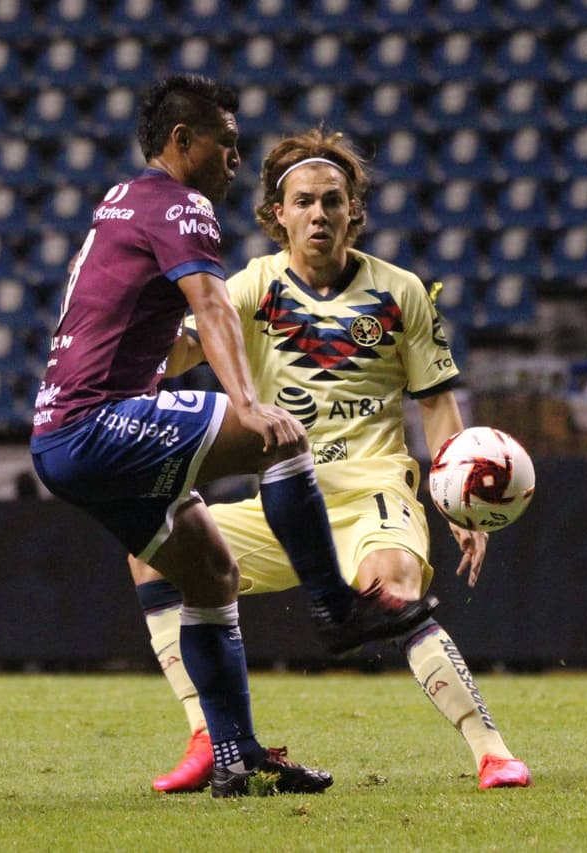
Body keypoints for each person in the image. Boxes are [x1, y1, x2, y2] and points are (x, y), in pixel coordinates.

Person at [28, 76, 434, 798]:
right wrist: (247, 405)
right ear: (183, 143)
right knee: (281, 437)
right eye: (227, 143)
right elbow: (211, 304)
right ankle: (336, 609)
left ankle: (235, 752)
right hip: (101, 419)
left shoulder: (122, 200)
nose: (236, 160)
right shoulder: (182, 203)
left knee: (211, 571)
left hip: (59, 436)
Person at [128, 128, 532, 793]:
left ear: (354, 212)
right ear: (278, 214)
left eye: (332, 202)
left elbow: (435, 405)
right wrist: (127, 339)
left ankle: (491, 750)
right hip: (286, 498)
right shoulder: (253, 285)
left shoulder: (401, 294)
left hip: (372, 490)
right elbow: (181, 353)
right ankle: (209, 733)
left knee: (391, 586)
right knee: (151, 547)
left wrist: (455, 499)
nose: (319, 213)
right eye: (305, 202)